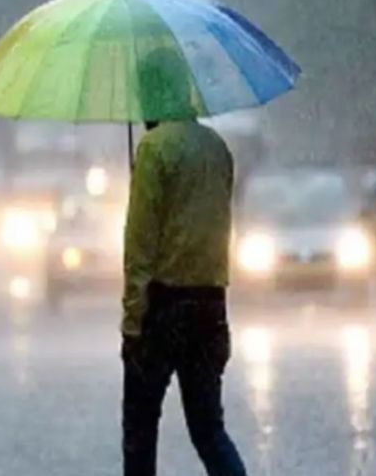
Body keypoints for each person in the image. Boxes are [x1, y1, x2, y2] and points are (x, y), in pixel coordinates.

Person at [121, 48, 247, 476]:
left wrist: (133, 322)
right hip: (211, 305)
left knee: (140, 431)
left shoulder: (155, 149)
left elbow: (140, 246)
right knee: (209, 430)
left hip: (163, 308)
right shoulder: (216, 147)